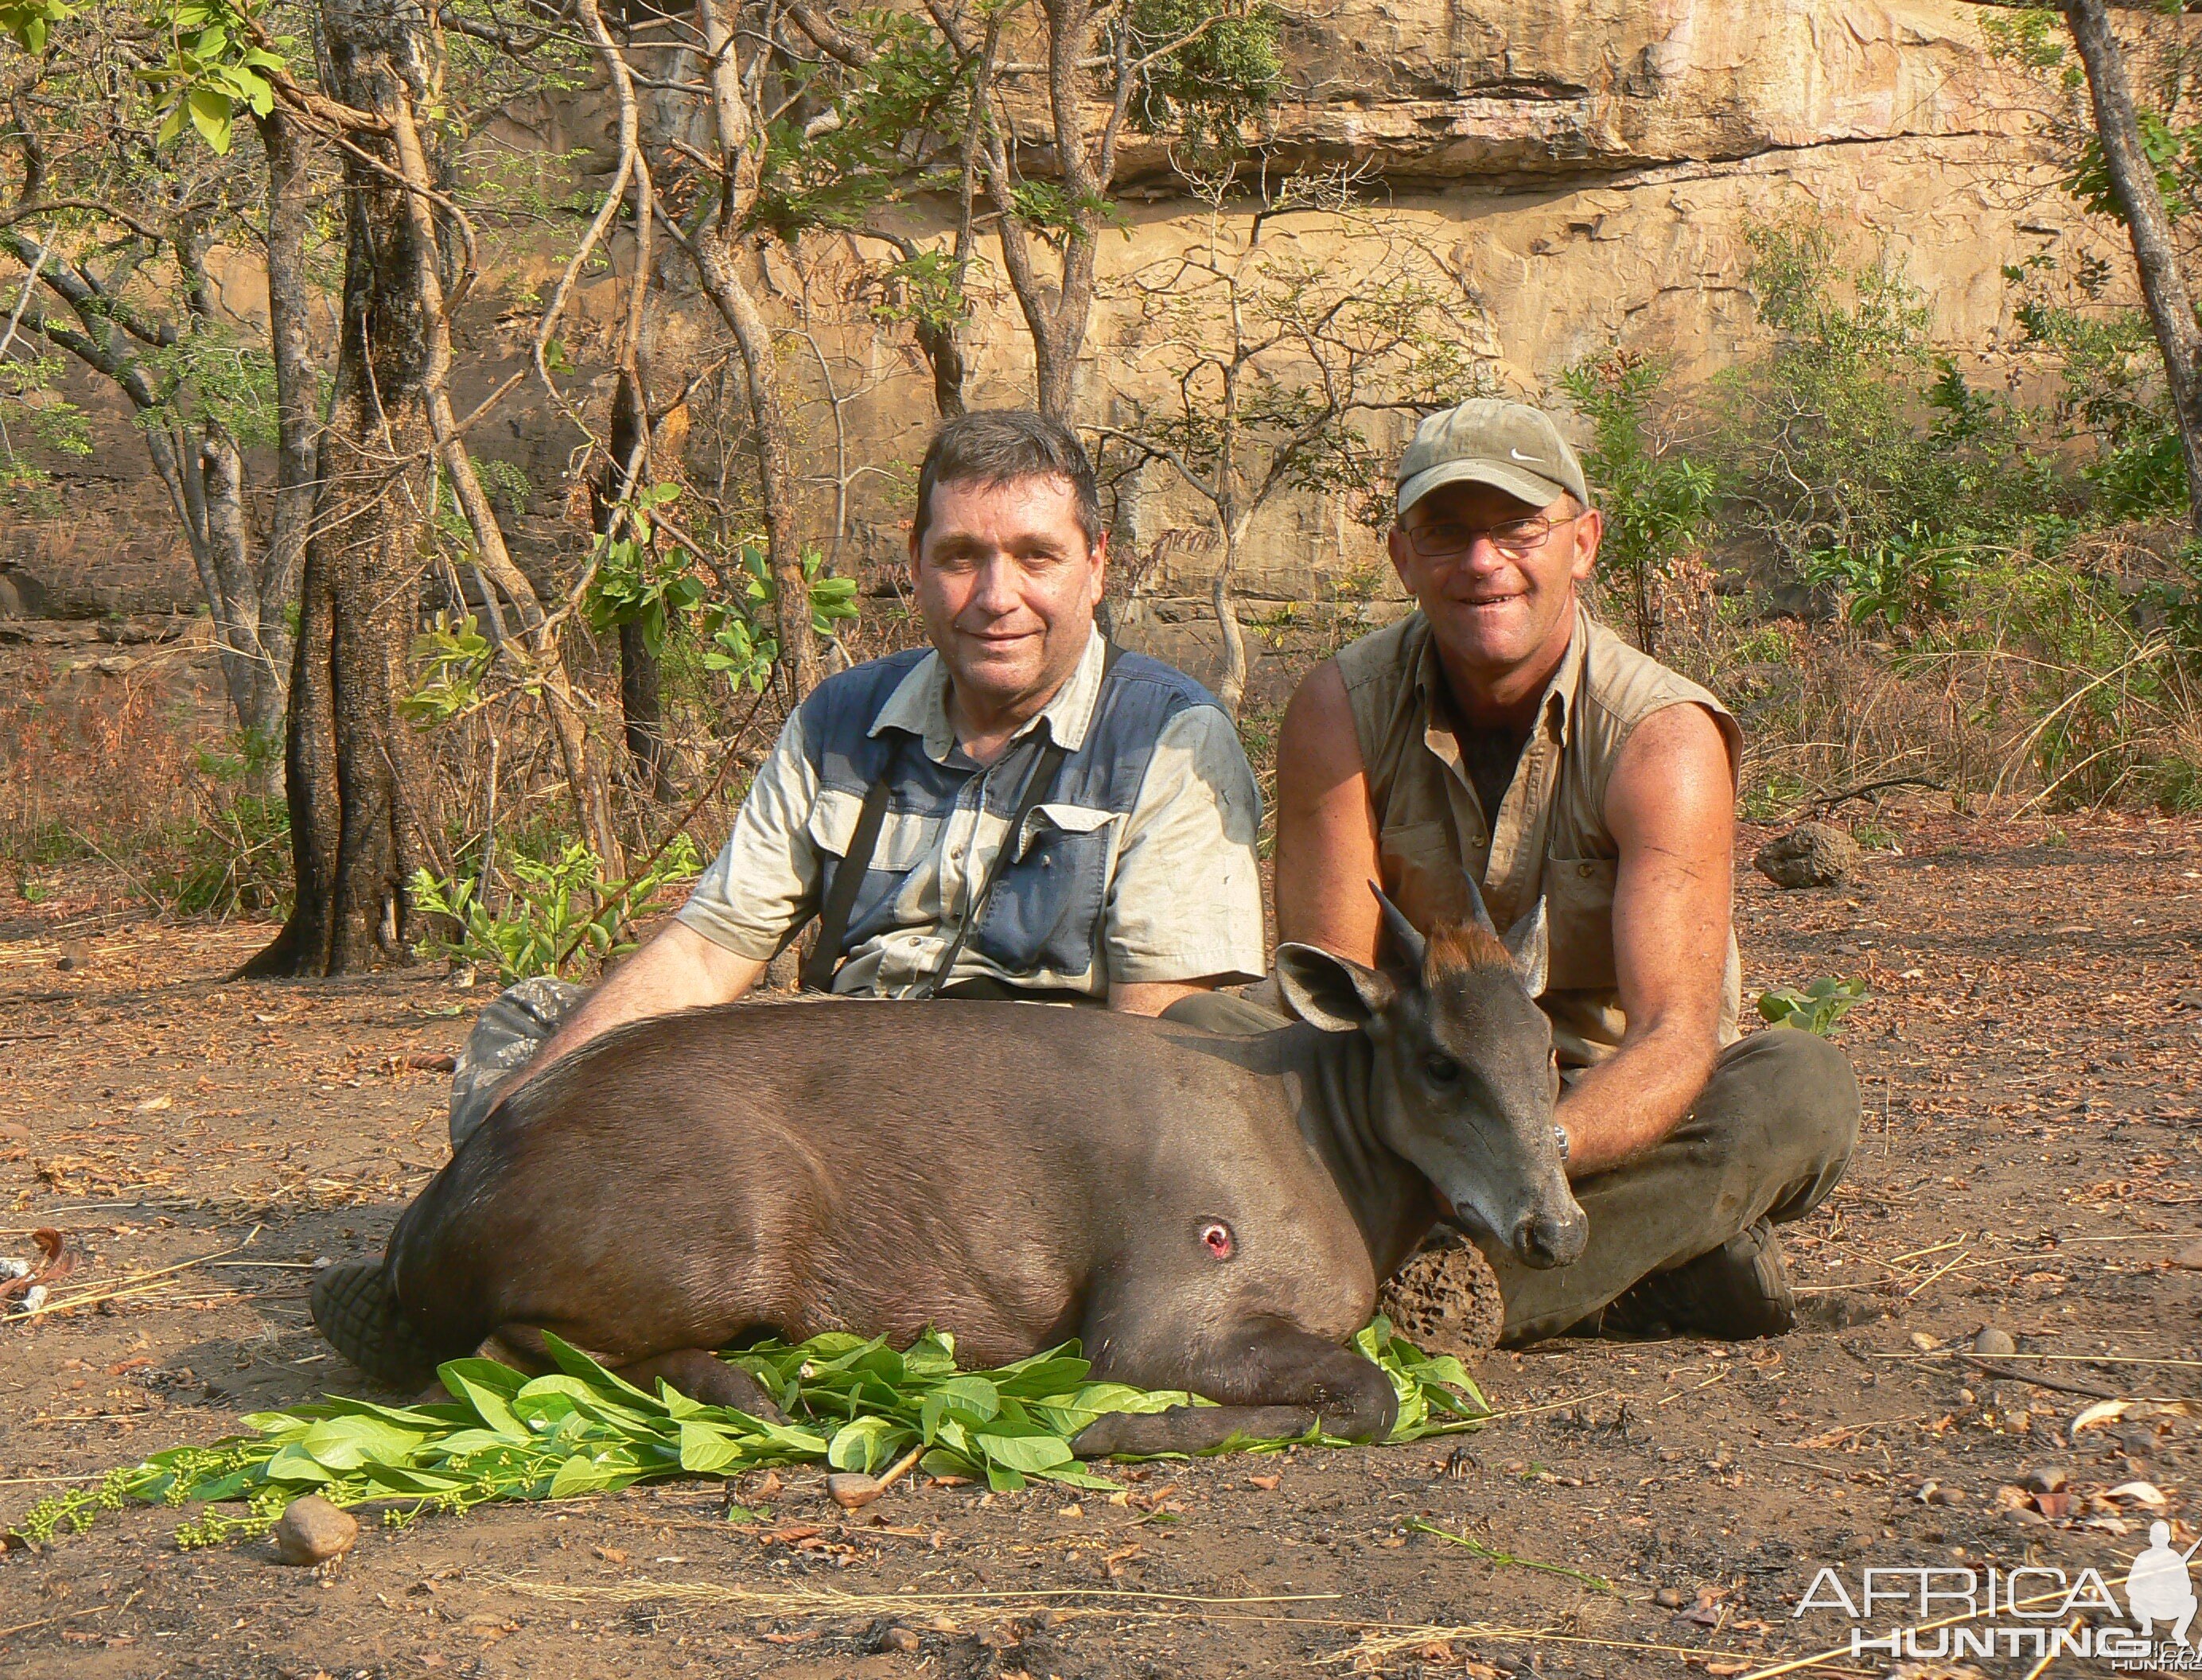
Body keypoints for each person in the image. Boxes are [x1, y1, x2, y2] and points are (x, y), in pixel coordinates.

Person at [451, 410, 1266, 1141]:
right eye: (959, 557)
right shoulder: (839, 719)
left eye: (1035, 557)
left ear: (1094, 567)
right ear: (913, 563)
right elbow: (706, 955)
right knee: (534, 1032)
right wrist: (526, 1112)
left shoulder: (1169, 740)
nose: (994, 596)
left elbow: (1158, 1055)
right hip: (841, 1089)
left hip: (1042, 1123)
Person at [1268, 397, 1861, 1344]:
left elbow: (1670, 1033)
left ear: (1581, 543)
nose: (1481, 562)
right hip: (1415, 1100)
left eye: (1517, 528)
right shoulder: (1339, 709)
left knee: (1799, 1086)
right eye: (1444, 534)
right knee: (1209, 1029)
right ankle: (1648, 1268)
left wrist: (1529, 1158)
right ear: (1400, 556)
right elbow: (1334, 1000)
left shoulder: (1661, 737)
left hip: (1596, 1118)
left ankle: (1462, 1299)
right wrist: (1451, 1141)